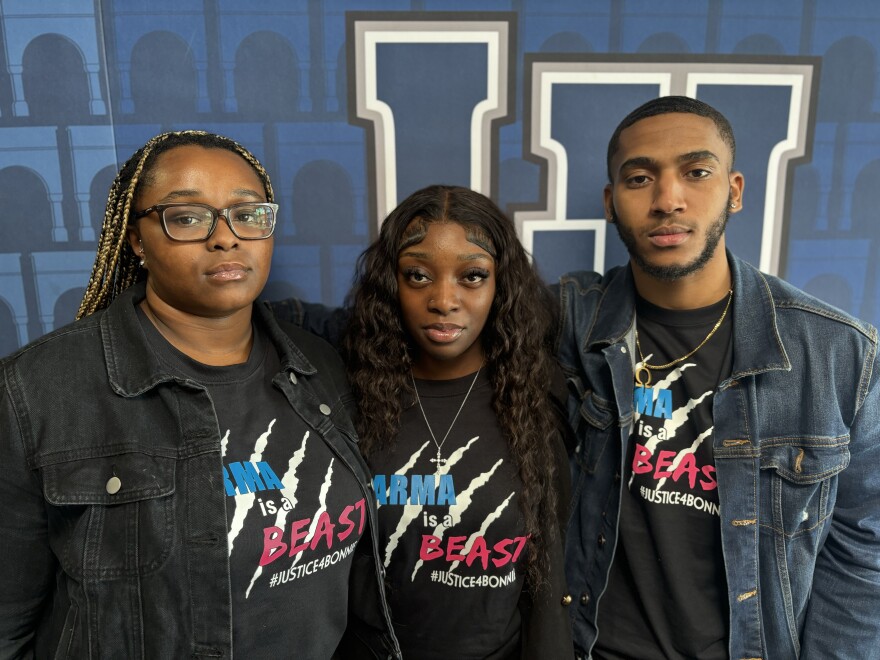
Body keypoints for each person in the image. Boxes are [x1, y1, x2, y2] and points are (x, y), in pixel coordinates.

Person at [0, 130, 399, 658]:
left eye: (247, 213)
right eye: (188, 217)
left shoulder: (319, 365)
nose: (226, 237)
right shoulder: (37, 390)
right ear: (137, 239)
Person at [558, 95, 880, 659]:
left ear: (734, 190)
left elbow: (864, 550)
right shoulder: (566, 323)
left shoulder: (838, 355)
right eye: (639, 179)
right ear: (611, 203)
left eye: (696, 172)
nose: (667, 199)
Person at [276, 184, 574, 658]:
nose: (443, 299)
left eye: (472, 276)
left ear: (501, 286)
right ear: (391, 284)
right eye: (417, 276)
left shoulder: (538, 395)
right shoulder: (347, 395)